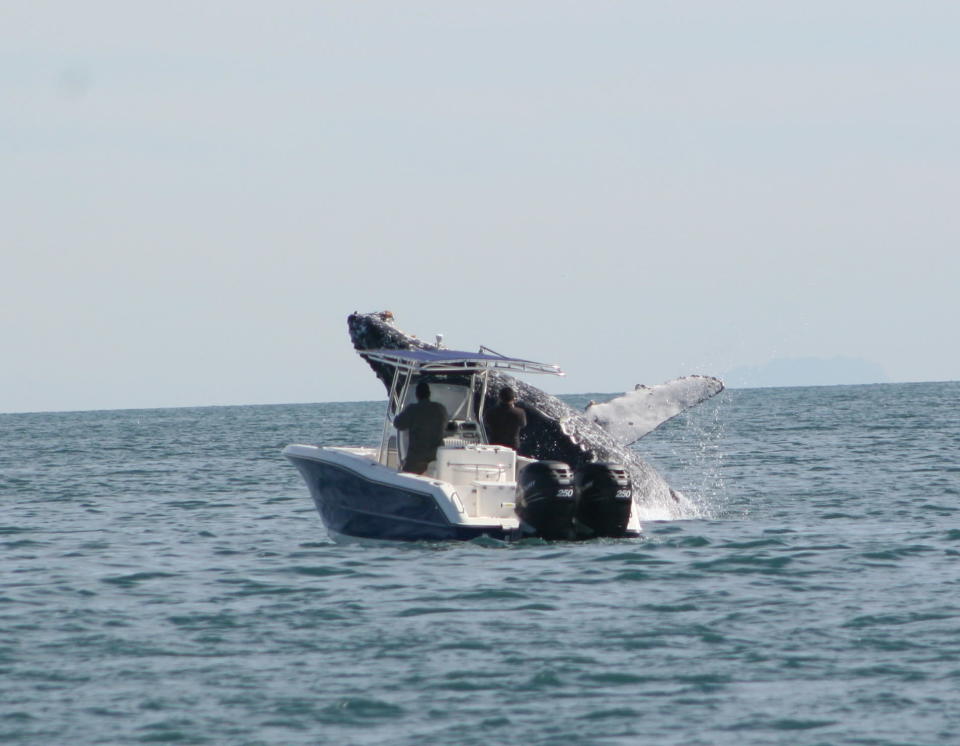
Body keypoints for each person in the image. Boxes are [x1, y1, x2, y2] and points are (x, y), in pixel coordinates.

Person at [393, 381, 448, 474]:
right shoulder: (440, 408)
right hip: (437, 457)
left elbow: (398, 424)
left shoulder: (412, 410)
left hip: (417, 459)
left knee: (405, 477)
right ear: (429, 394)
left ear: (417, 395)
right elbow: (445, 426)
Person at [484, 386, 527, 450]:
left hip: (495, 445)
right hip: (512, 446)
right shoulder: (520, 413)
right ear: (513, 399)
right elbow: (523, 425)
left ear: (499, 398)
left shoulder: (491, 411)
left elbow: (486, 423)